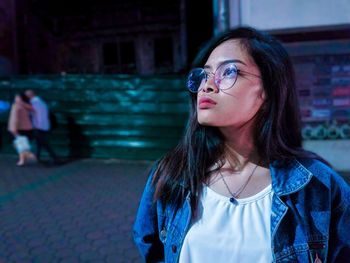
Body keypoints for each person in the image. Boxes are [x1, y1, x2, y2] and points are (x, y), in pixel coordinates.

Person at [133, 27, 350, 263]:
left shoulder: (317, 185)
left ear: (267, 92)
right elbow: (151, 248)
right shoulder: (172, 174)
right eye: (204, 75)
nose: (207, 86)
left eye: (229, 71)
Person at [25, 89, 58, 164]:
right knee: (39, 143)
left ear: (30, 95)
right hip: (43, 126)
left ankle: (55, 158)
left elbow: (37, 116)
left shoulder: (34, 103)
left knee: (43, 143)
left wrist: (35, 126)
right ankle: (38, 157)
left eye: (27, 95)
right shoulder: (41, 102)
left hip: (38, 127)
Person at [7, 93, 37, 166]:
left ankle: (29, 155)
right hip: (28, 128)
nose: (15, 99)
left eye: (17, 97)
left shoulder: (16, 106)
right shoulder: (26, 105)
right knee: (22, 145)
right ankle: (22, 160)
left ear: (20, 99)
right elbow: (33, 110)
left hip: (19, 128)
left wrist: (13, 129)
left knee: (20, 145)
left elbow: (14, 119)